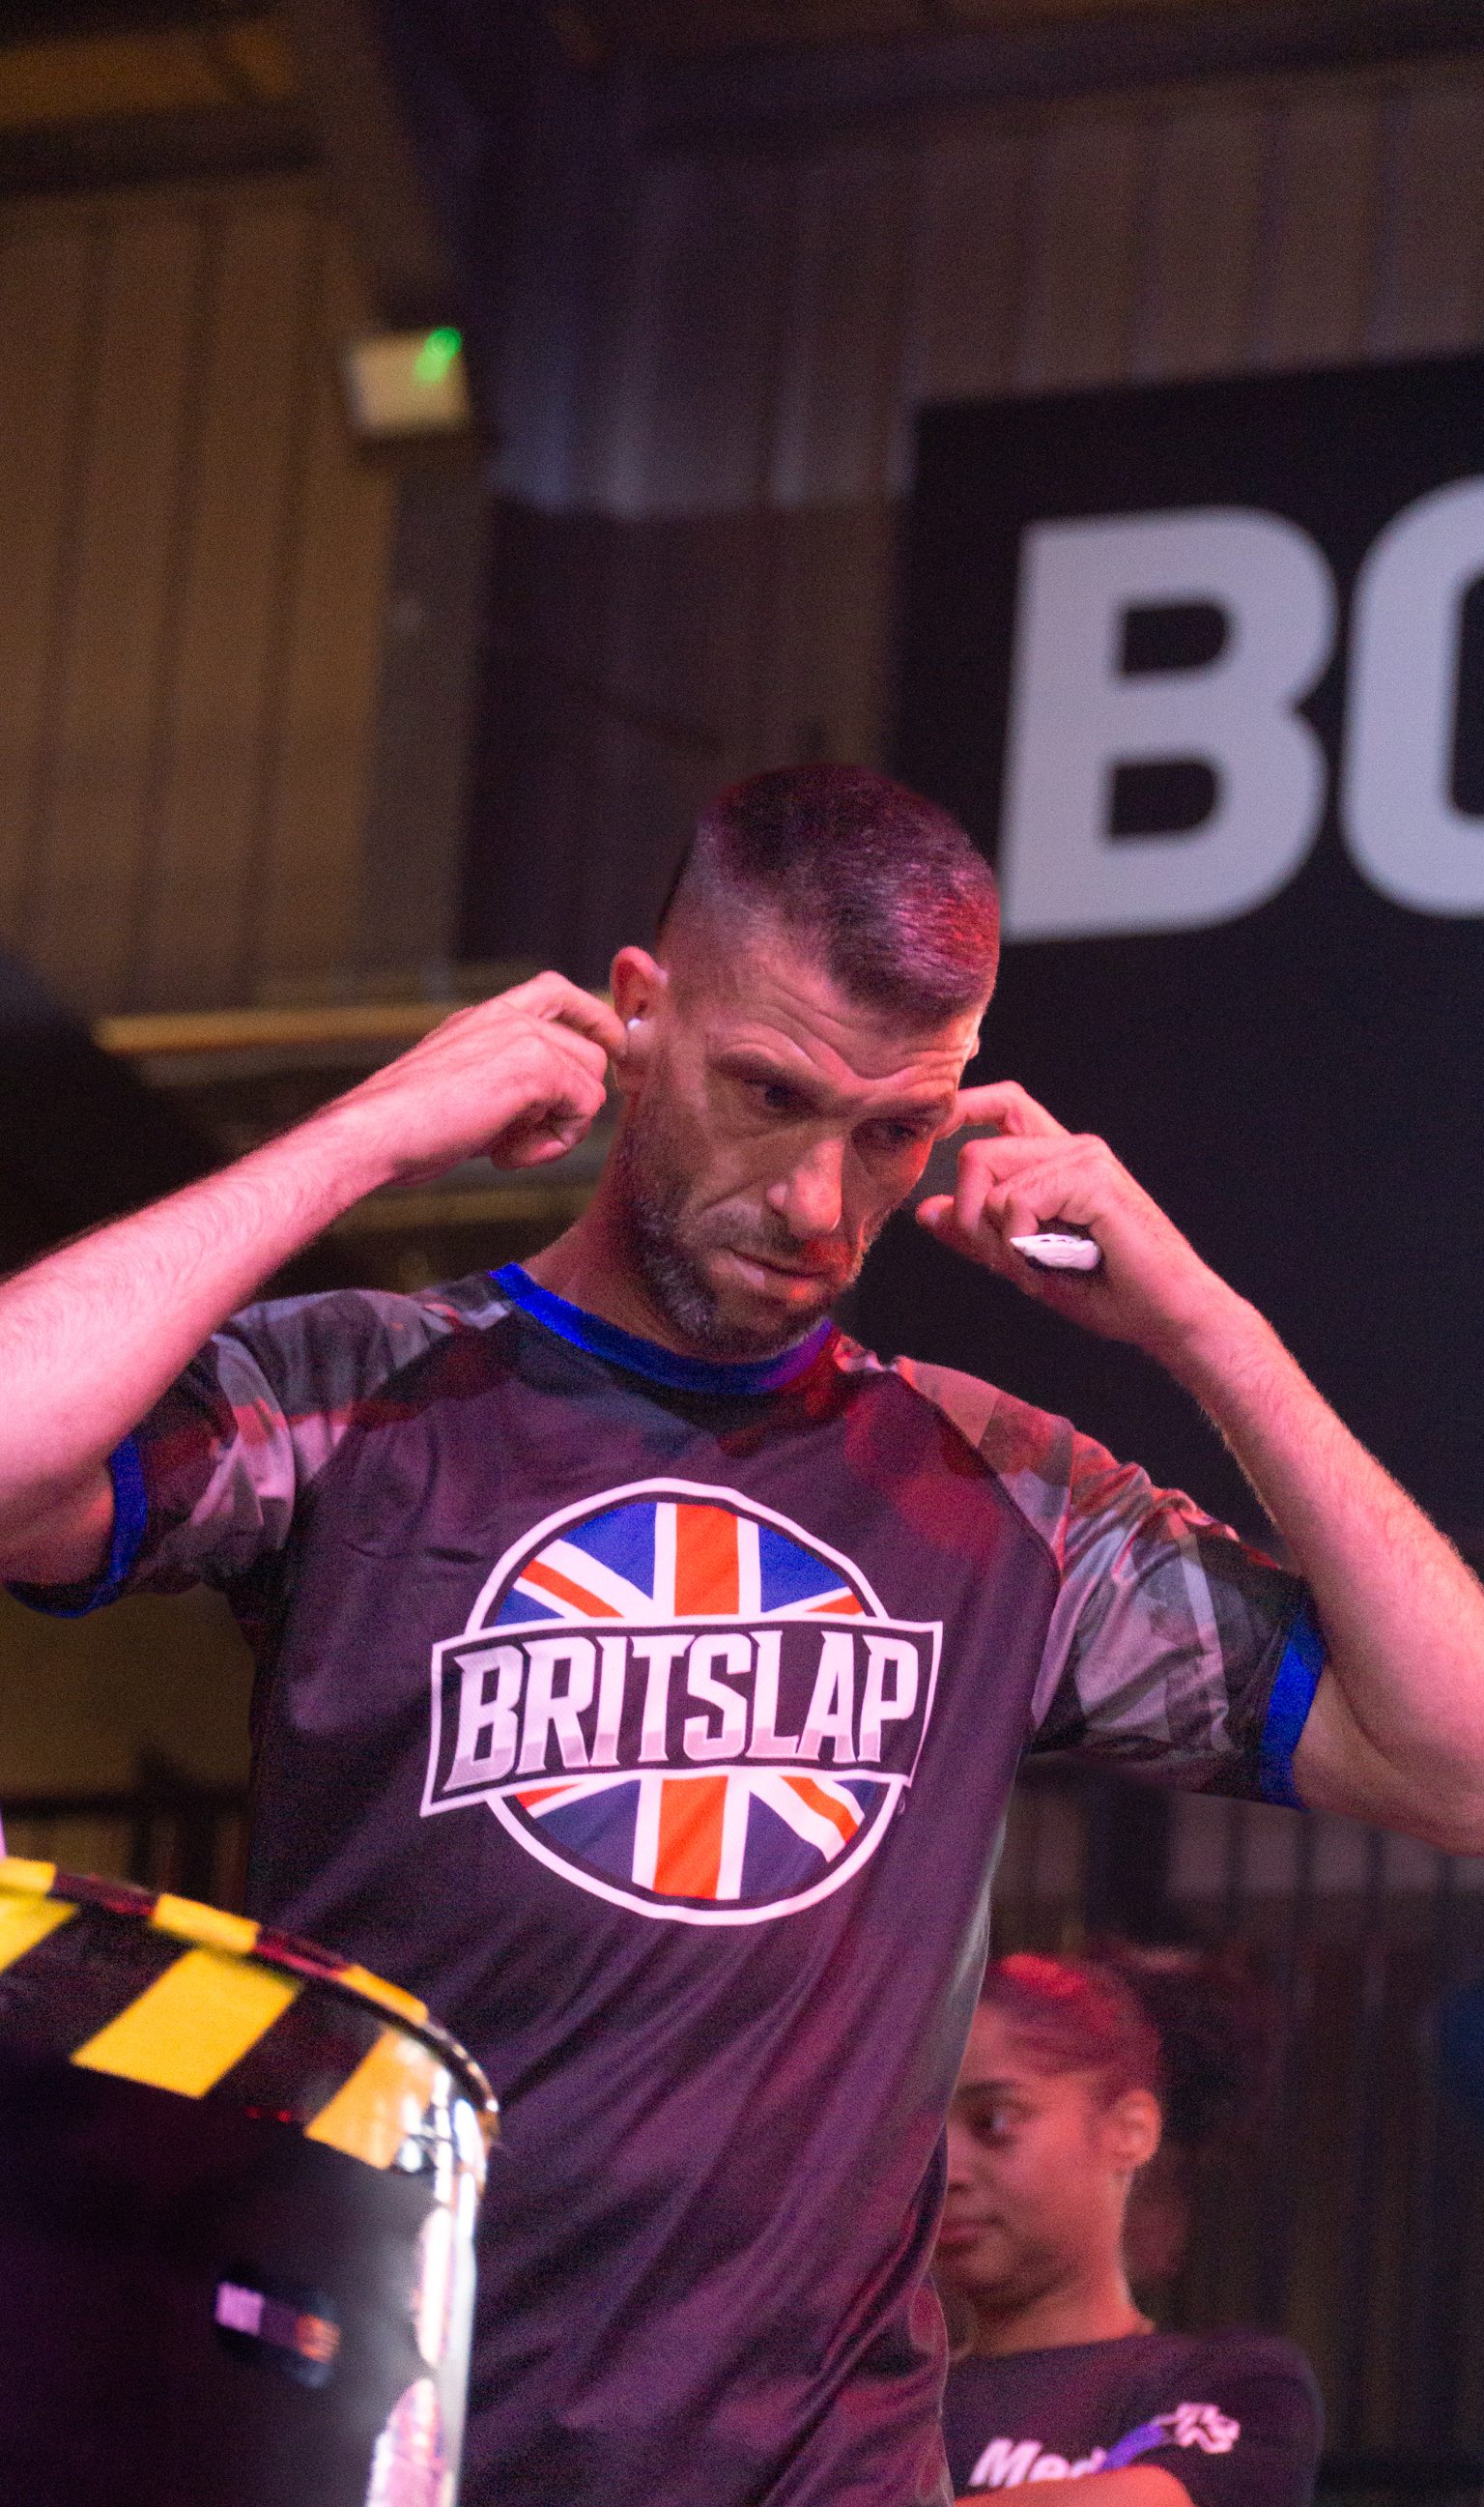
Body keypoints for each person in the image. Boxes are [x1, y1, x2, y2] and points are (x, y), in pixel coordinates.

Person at [0, 764, 1480, 2507]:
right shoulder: (374, 1393)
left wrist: (1206, 1326)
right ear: (638, 1016)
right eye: (771, 1094)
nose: (817, 1206)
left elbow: (1457, 1760)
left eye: (892, 1130)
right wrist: (371, 1129)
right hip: (388, 2455)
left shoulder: (996, 1490)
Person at [937, 1952, 1321, 2502]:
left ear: (1129, 2131)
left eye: (994, 2122)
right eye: (922, 2135)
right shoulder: (871, 2393)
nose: (946, 2171)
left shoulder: (1229, 2382)